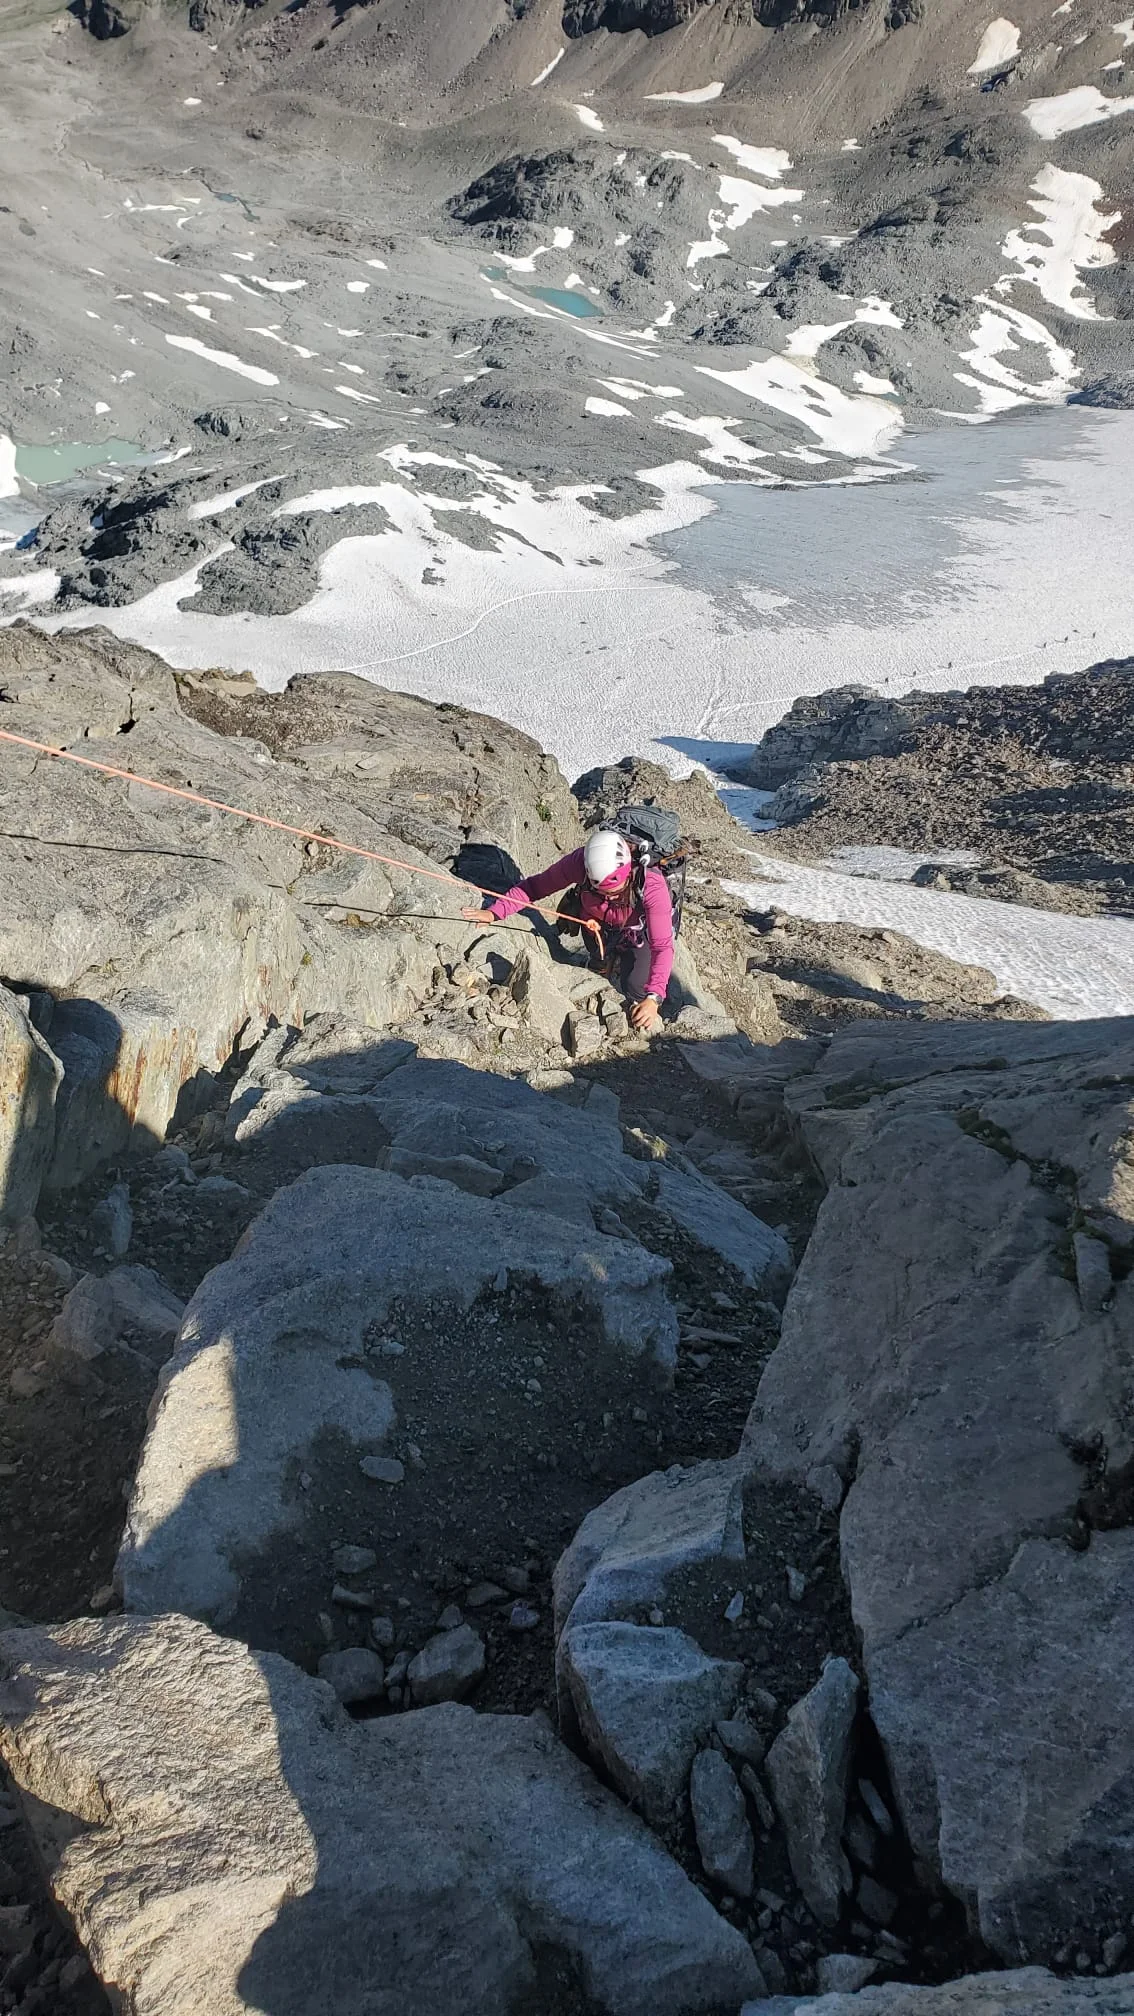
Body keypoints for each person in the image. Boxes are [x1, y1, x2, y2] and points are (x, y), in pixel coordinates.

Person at [461, 828, 674, 1032]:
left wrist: (654, 997)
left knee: (636, 989)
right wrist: (494, 913)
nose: (610, 898)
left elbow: (662, 946)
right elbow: (534, 887)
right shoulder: (579, 863)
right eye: (603, 892)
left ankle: (624, 972)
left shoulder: (651, 885)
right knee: (598, 955)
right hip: (596, 925)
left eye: (616, 893)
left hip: (635, 933)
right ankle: (604, 962)